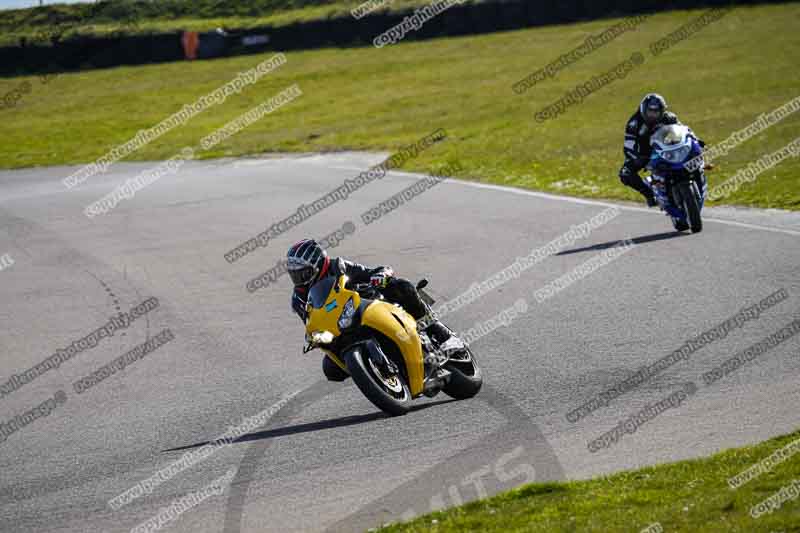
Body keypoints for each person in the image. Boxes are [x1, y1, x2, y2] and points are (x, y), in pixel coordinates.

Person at [286, 239, 463, 381]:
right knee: (331, 370)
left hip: (372, 303)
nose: (298, 279)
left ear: (318, 265)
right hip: (343, 327)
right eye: (294, 274)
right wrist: (313, 337)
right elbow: (311, 322)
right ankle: (375, 371)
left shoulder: (338, 267)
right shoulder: (299, 298)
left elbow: (377, 270)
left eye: (302, 273)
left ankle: (441, 333)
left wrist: (381, 276)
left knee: (402, 287)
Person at [619, 93, 697, 206]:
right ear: (644, 110)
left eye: (656, 112)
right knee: (625, 174)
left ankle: (697, 172)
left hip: (669, 147)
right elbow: (628, 146)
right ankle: (649, 195)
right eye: (650, 112)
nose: (653, 115)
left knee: (694, 148)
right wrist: (636, 157)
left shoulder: (669, 117)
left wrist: (696, 139)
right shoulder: (634, 124)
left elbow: (685, 131)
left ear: (662, 111)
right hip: (644, 153)